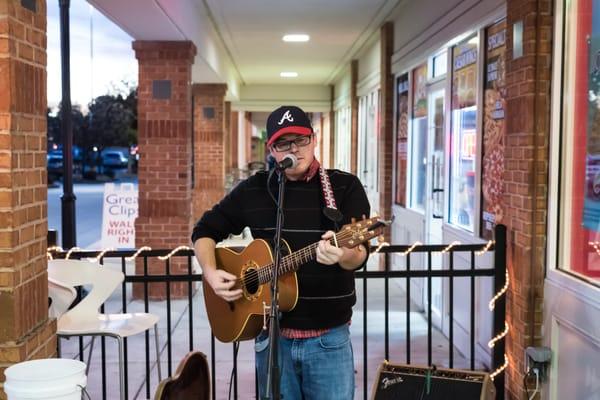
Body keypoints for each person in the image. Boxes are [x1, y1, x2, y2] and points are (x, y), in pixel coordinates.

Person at [191, 105, 370, 399]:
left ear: (313, 140)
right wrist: (210, 272)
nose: (294, 149)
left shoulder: (344, 186)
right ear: (271, 149)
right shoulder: (254, 189)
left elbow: (360, 252)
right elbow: (204, 230)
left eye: (300, 140)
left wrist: (342, 255)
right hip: (271, 338)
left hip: (329, 340)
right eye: (284, 143)